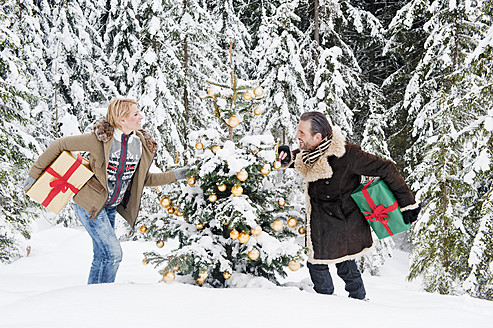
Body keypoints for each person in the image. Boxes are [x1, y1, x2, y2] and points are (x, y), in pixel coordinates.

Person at [24, 99, 188, 284]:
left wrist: (176, 175)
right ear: (121, 120)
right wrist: (34, 174)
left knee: (102, 256)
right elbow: (60, 145)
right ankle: (105, 295)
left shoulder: (138, 143)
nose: (141, 116)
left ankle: (93, 295)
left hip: (110, 207)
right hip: (90, 205)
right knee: (114, 254)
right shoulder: (98, 140)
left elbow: (144, 179)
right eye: (135, 114)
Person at [278, 111, 420, 300]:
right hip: (320, 222)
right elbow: (304, 159)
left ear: (318, 137)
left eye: (302, 132)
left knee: (326, 264)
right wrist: (288, 158)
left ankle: (331, 303)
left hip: (343, 221)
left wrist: (407, 204)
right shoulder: (311, 152)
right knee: (339, 262)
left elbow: (386, 168)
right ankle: (355, 300)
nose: (297, 136)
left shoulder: (348, 155)